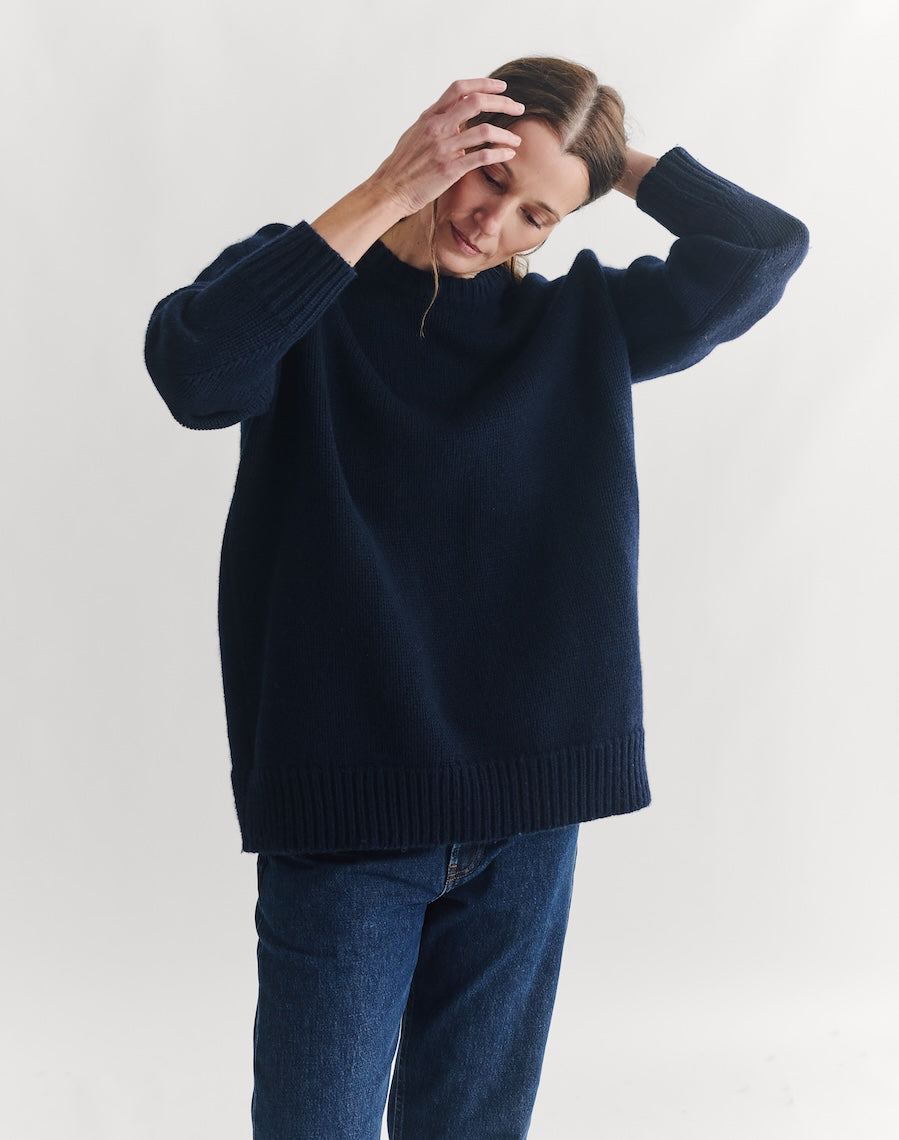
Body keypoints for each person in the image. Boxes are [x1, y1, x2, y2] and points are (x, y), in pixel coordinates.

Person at [144, 56, 808, 1140]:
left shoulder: (580, 326)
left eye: (538, 212)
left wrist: (613, 163)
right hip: (346, 814)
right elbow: (194, 374)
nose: (495, 222)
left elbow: (763, 252)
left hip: (528, 818)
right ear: (446, 140)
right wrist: (389, 190)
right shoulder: (302, 287)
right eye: (488, 178)